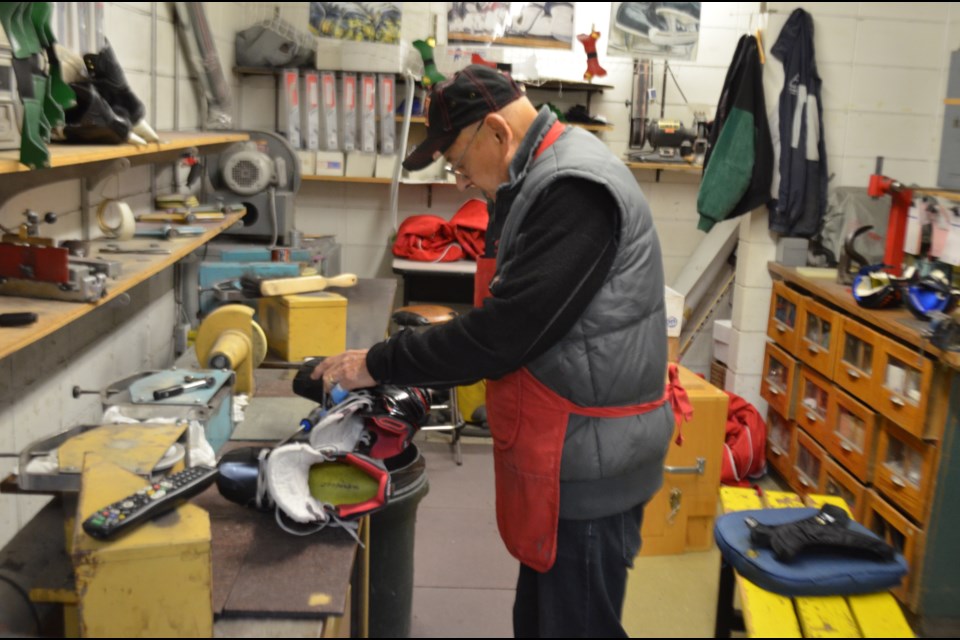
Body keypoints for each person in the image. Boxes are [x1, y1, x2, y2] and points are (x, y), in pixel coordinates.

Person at [311, 64, 689, 638]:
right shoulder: (538, 176)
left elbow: (501, 335)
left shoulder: (574, 189)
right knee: (539, 621)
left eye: (458, 162)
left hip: (589, 461)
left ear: (495, 131)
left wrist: (377, 363)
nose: (460, 180)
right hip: (565, 447)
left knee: (576, 624)